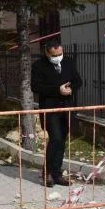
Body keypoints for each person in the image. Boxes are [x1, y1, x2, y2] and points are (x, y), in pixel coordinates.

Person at [31, 44, 83, 186]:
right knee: (55, 137)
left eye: (60, 53)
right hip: (50, 108)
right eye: (54, 55)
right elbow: (35, 87)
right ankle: (46, 172)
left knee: (62, 140)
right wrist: (57, 90)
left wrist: (70, 89)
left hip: (66, 107)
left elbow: (78, 81)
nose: (58, 57)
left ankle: (57, 173)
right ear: (47, 53)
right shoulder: (38, 66)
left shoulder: (68, 62)